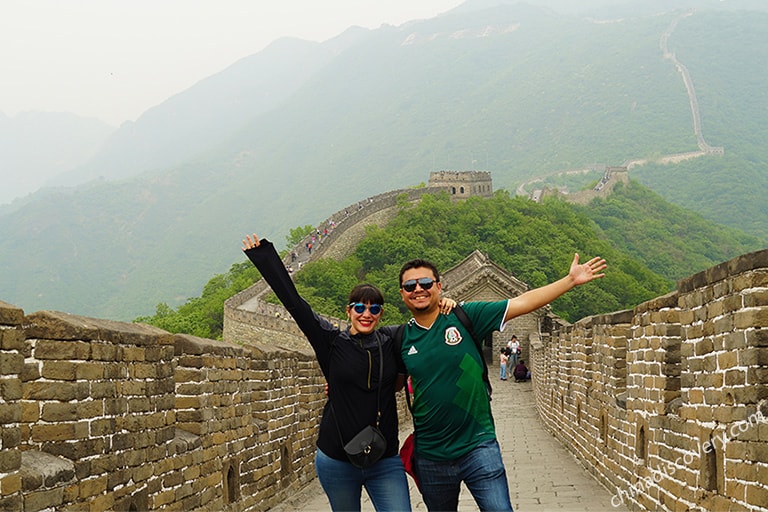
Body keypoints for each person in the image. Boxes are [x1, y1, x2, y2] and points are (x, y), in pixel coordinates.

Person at [241, 234, 456, 512]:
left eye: (374, 308)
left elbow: (424, 321)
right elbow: (295, 304)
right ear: (349, 311)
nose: (366, 313)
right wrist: (265, 258)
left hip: (384, 458)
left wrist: (446, 305)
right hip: (336, 459)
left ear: (380, 314)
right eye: (360, 307)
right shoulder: (329, 341)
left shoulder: (393, 339)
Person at [397, 253, 607, 511]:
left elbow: (522, 303)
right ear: (402, 293)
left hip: (478, 444)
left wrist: (569, 281)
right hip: (430, 454)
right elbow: (376, 371)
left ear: (439, 287)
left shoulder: (465, 316)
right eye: (410, 286)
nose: (418, 289)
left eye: (426, 283)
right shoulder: (400, 338)